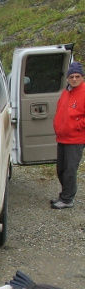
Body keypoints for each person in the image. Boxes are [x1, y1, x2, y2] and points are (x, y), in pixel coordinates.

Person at [52, 61, 85, 209]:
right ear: (67, 78)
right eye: (71, 76)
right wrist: (58, 126)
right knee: (61, 169)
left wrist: (76, 126)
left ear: (82, 77)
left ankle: (67, 199)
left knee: (70, 170)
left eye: (77, 76)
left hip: (76, 139)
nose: (74, 79)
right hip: (62, 137)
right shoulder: (66, 92)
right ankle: (64, 195)